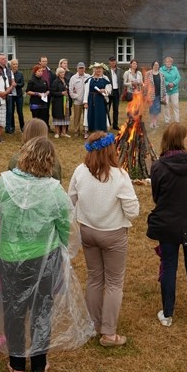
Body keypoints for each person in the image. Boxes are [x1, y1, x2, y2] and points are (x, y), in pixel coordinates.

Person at [0, 136, 93, 372]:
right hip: (43, 259)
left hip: (10, 257)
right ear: (50, 162)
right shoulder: (54, 190)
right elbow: (65, 226)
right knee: (41, 309)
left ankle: (16, 363)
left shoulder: (5, 183)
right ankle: (38, 363)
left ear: (23, 155)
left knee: (13, 307)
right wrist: (64, 249)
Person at [69, 132, 139, 346]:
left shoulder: (80, 172)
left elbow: (70, 199)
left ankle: (92, 325)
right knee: (114, 283)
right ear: (111, 150)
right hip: (113, 234)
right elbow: (133, 210)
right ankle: (108, 332)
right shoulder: (119, 176)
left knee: (94, 278)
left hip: (88, 232)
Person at [148, 123, 187, 328]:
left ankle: (172, 314)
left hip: (170, 222)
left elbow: (157, 195)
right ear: (181, 140)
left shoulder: (160, 166)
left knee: (171, 267)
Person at [84, 62, 111, 134]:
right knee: (91, 114)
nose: (98, 70)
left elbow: (109, 90)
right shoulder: (89, 79)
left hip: (101, 100)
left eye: (100, 69)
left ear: (102, 70)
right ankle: (91, 130)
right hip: (91, 100)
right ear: (94, 70)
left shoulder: (105, 79)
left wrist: (104, 90)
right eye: (97, 69)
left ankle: (101, 131)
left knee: (101, 115)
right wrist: (85, 102)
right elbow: (86, 91)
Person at [69, 63, 90, 138]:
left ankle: (86, 131)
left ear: (85, 69)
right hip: (77, 102)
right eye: (80, 68)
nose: (81, 69)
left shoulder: (88, 77)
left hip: (87, 102)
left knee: (86, 117)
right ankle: (76, 131)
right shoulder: (73, 78)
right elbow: (70, 90)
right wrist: (76, 97)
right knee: (76, 117)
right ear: (77, 69)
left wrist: (88, 99)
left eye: (82, 68)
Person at [0, 54, 16, 134]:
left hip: (9, 94)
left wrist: (9, 89)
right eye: (2, 59)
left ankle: (8, 128)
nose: (4, 60)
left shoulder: (9, 70)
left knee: (9, 111)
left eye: (5, 59)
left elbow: (13, 81)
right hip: (0, 94)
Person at [51, 67, 71, 138]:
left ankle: (64, 132)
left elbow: (69, 88)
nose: (63, 73)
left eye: (63, 72)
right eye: (61, 72)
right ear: (58, 74)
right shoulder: (55, 82)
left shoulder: (66, 80)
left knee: (65, 116)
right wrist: (61, 93)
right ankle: (57, 132)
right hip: (58, 102)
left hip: (66, 101)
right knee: (58, 117)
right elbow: (52, 93)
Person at [161, 57, 181, 124]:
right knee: (166, 105)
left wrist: (173, 83)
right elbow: (161, 78)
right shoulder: (161, 69)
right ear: (165, 62)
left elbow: (178, 77)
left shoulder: (175, 68)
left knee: (175, 105)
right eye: (167, 62)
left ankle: (177, 120)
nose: (169, 63)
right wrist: (167, 84)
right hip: (165, 91)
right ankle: (167, 120)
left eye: (170, 62)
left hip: (174, 90)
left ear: (172, 63)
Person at [104, 57, 122, 130]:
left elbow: (121, 81)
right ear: (109, 62)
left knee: (116, 109)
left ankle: (115, 125)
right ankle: (107, 124)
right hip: (109, 92)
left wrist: (121, 91)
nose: (113, 62)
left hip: (116, 91)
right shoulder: (106, 71)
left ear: (116, 62)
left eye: (114, 61)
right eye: (111, 61)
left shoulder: (120, 70)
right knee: (107, 108)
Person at [9, 59, 25, 134]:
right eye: (14, 64)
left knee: (20, 111)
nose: (15, 65)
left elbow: (22, 84)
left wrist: (16, 85)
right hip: (11, 95)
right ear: (11, 65)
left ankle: (22, 127)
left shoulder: (20, 74)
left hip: (19, 95)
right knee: (11, 111)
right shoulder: (8, 73)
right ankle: (12, 127)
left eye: (16, 64)